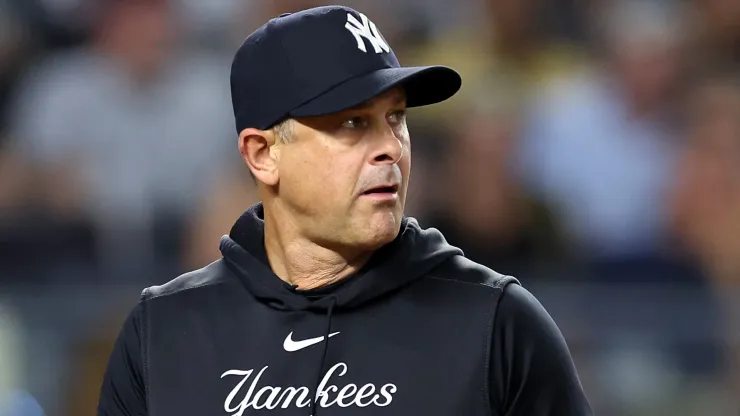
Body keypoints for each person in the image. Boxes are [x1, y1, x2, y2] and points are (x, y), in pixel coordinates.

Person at [96, 5, 591, 415]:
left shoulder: (497, 323)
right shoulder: (163, 332)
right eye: (353, 122)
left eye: (395, 118)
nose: (390, 149)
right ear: (263, 155)